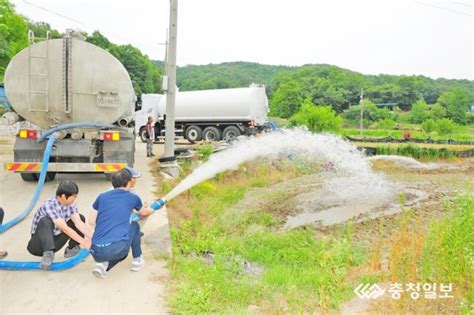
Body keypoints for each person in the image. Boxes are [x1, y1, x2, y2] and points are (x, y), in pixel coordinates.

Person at [89, 169, 153, 279]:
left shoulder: (102, 197)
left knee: (117, 248)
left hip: (95, 250)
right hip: (116, 249)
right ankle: (137, 260)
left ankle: (102, 265)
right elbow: (144, 213)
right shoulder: (132, 198)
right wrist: (153, 208)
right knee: (134, 226)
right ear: (129, 182)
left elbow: (91, 221)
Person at [27, 181, 92, 270]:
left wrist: (93, 238)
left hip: (55, 240)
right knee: (45, 221)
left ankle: (72, 249)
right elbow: (65, 229)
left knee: (80, 218)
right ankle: (48, 255)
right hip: (39, 245)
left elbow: (79, 223)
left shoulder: (71, 204)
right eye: (74, 196)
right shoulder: (49, 205)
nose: (75, 199)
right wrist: (84, 242)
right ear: (63, 196)